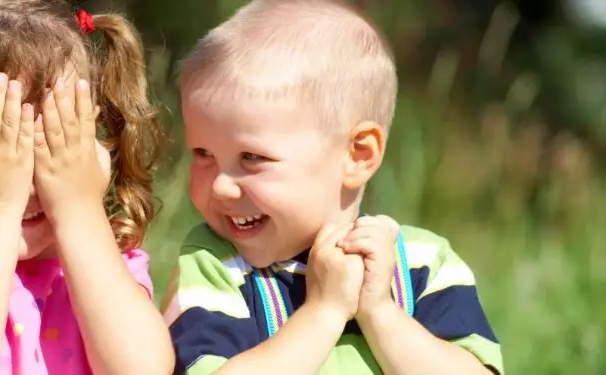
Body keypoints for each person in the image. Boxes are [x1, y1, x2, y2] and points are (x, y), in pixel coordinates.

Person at [161, 0, 503, 374]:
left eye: (252, 158)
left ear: (358, 155)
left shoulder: (420, 264)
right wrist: (324, 312)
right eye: (202, 153)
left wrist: (381, 313)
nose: (222, 187)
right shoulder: (214, 266)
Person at [0, 0, 174, 374]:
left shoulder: (107, 269)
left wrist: (79, 210)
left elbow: (144, 369)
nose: (18, 185)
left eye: (50, 146)